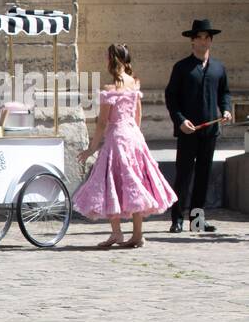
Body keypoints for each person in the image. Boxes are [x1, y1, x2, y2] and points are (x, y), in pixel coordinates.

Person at [72, 45, 177, 249]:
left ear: (112, 60)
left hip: (117, 138)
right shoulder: (134, 84)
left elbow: (102, 123)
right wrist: (134, 135)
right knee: (134, 182)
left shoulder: (109, 89)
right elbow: (137, 115)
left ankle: (117, 232)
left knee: (111, 181)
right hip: (134, 137)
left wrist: (91, 149)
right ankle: (137, 234)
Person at [165, 19, 233, 233]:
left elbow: (225, 93)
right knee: (184, 174)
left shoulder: (219, 68)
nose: (203, 42)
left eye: (207, 38)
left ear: (210, 41)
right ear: (192, 41)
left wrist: (226, 109)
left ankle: (197, 220)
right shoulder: (182, 67)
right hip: (188, 131)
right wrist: (180, 120)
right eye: (199, 38)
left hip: (210, 131)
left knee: (204, 175)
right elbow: (171, 97)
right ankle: (177, 219)